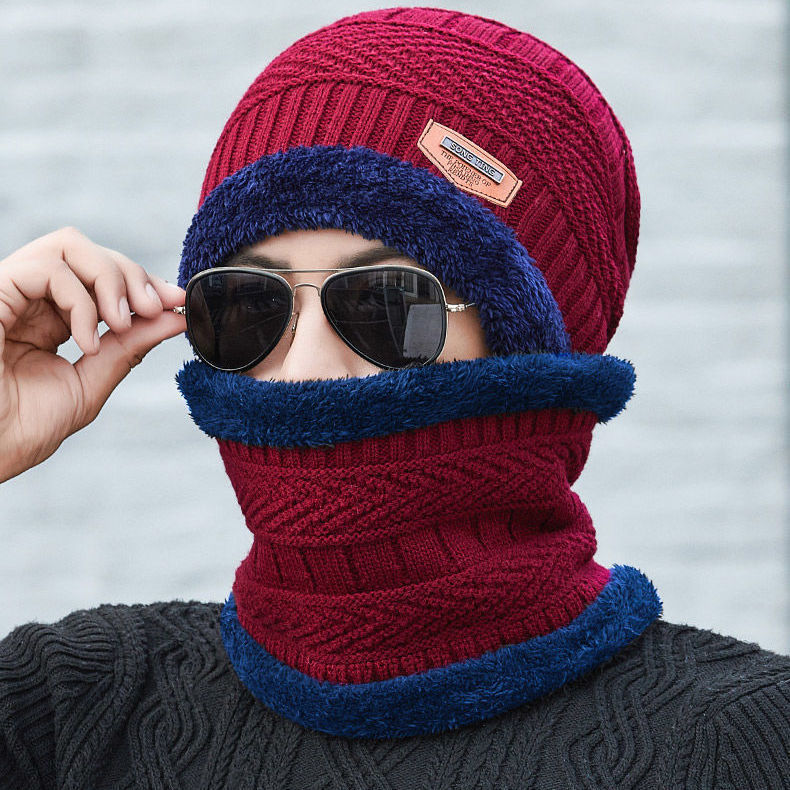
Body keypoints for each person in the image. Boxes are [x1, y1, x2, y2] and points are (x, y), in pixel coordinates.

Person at [1, 6, 788, 788]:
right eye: (248, 306)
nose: (303, 371)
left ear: (531, 355)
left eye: (386, 302)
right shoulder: (74, 708)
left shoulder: (742, 743)